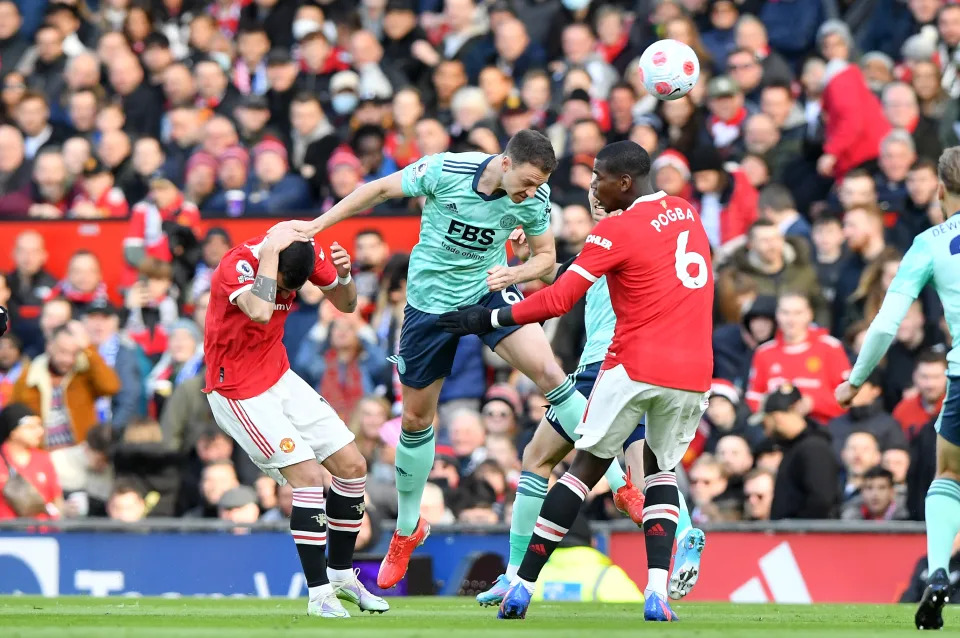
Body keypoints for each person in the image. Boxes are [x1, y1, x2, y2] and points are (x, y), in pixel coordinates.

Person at [270, 130, 605, 592]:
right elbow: (379, 189)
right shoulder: (446, 170)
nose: (532, 193)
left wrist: (516, 271)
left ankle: (620, 479)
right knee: (414, 419)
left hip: (488, 293)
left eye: (538, 185)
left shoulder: (533, 196)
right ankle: (408, 529)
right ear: (505, 164)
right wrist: (317, 225)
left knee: (550, 374)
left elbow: (547, 260)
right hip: (428, 306)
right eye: (527, 182)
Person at [436, 141, 713, 622]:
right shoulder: (684, 212)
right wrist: (527, 270)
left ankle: (519, 583)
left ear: (623, 183)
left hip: (622, 366)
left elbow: (562, 297)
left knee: (573, 468)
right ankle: (658, 589)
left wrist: (493, 317)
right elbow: (587, 275)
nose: (594, 188)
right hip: (691, 373)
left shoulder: (614, 232)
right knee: (659, 471)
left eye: (599, 178)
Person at [202, 228, 386, 618]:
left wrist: (345, 276)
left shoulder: (305, 250)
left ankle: (340, 576)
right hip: (236, 389)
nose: (289, 294)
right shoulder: (236, 264)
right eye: (286, 285)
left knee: (353, 466)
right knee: (307, 478)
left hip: (278, 376)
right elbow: (260, 310)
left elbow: (347, 305)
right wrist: (270, 255)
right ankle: (319, 594)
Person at [835, 146, 960, 630]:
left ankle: (938, 573)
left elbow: (886, 323)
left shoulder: (929, 242)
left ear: (942, 192)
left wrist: (855, 381)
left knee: (948, 475)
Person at [758, 384, 840, 520]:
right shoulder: (796, 447)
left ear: (777, 417)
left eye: (765, 423)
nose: (765, 431)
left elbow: (822, 500)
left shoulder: (813, 447)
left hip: (806, 537)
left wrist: (798, 529)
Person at [0, 403, 61, 520]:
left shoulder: (44, 459)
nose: (40, 431)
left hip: (42, 533)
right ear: (13, 432)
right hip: (5, 534)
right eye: (31, 427)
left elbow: (56, 499)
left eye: (40, 426)